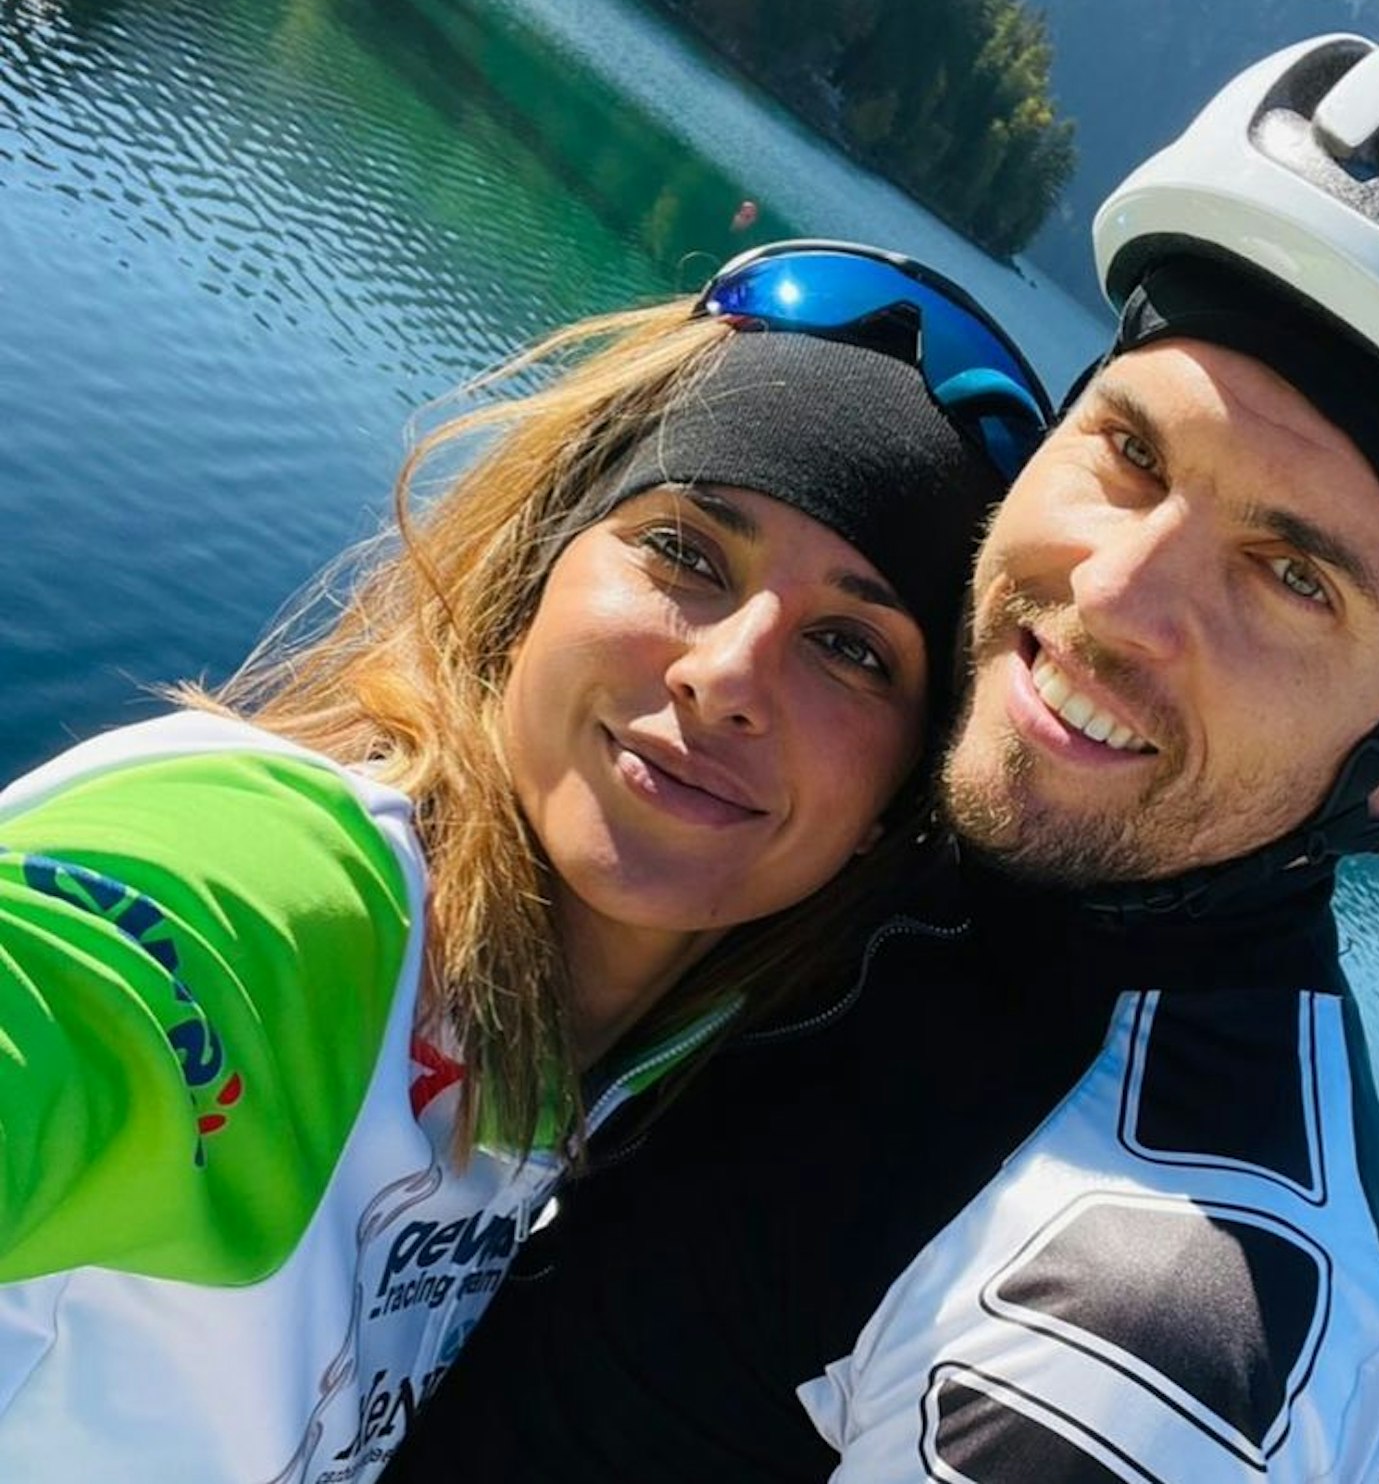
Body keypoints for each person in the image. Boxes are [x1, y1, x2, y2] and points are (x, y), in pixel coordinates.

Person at [385, 29, 1379, 1483]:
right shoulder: (936, 831)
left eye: (1291, 577)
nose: (1113, 599)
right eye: (1134, 455)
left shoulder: (1159, 1321)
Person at [0, 242, 1049, 1483]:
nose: (727, 678)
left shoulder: (617, 1111)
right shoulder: (289, 900)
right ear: (540, 571)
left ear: (895, 803)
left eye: (851, 648)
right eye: (686, 553)